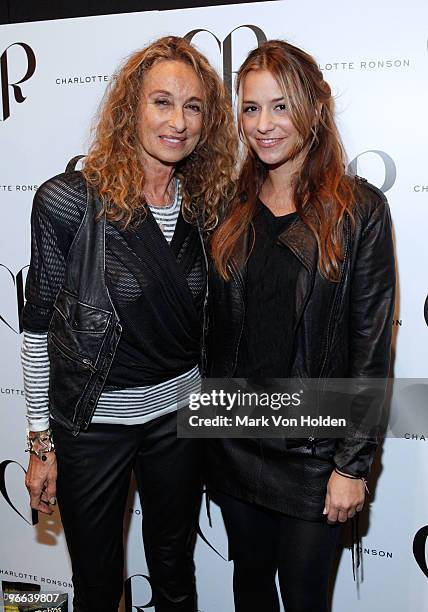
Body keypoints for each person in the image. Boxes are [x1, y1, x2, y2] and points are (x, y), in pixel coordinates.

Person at [22, 36, 236, 612]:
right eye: (162, 102)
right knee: (96, 583)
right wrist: (41, 441)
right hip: (93, 426)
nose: (178, 121)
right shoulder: (66, 202)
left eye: (193, 107)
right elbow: (38, 327)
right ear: (130, 110)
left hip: (178, 422)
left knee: (174, 571)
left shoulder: (207, 204)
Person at [206, 40, 395, 612]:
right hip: (235, 443)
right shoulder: (227, 207)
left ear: (313, 107)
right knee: (250, 592)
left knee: (307, 598)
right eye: (250, 108)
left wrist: (350, 465)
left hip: (315, 452)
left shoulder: (357, 210)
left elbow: (371, 348)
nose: (263, 125)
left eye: (280, 106)